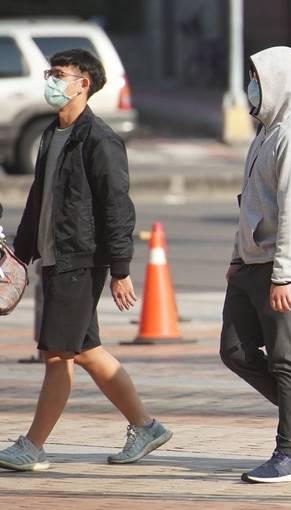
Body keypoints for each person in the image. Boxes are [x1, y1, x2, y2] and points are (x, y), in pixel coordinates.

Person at [0, 49, 171, 472]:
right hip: (56, 258)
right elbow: (38, 199)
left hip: (79, 259)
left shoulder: (100, 139)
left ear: (84, 83)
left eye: (60, 74)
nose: (51, 81)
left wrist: (121, 269)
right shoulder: (51, 133)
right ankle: (146, 427)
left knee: (57, 356)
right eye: (50, 73)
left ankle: (33, 446)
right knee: (87, 350)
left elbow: (117, 206)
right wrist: (18, 257)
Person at [219, 46, 291, 484]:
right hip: (253, 262)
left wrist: (284, 275)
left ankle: (290, 454)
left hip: (290, 262)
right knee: (235, 350)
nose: (253, 85)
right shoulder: (266, 132)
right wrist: (237, 256)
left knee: (286, 357)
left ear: (280, 82)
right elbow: (250, 202)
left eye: (258, 77)